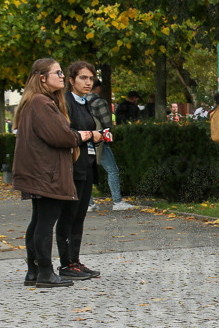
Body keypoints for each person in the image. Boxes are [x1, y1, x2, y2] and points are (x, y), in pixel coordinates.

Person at [12, 59, 100, 288]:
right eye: (58, 73)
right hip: (46, 172)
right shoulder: (41, 103)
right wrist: (85, 136)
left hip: (38, 170)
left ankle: (34, 272)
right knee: (45, 222)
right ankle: (45, 273)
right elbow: (62, 136)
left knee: (38, 221)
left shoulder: (35, 102)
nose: (62, 76)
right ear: (42, 78)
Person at [54, 61, 104, 280]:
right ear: (71, 80)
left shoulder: (85, 102)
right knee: (69, 215)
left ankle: (75, 260)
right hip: (72, 166)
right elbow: (65, 132)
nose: (88, 82)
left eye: (91, 78)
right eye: (83, 78)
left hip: (87, 165)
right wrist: (90, 135)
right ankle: (66, 263)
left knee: (80, 216)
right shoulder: (65, 102)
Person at [85, 77, 134, 211]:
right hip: (99, 139)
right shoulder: (99, 102)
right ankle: (117, 201)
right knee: (112, 169)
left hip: (86, 139)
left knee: (88, 170)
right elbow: (106, 122)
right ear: (98, 88)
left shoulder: (81, 101)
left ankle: (89, 203)